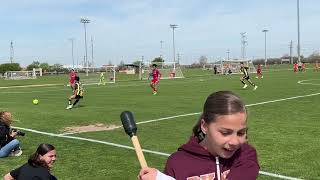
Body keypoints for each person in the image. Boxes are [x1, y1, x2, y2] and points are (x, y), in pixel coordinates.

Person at [139, 91, 260, 180]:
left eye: (241, 133)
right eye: (225, 133)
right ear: (204, 126)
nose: (234, 141)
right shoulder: (177, 162)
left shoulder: (246, 155)